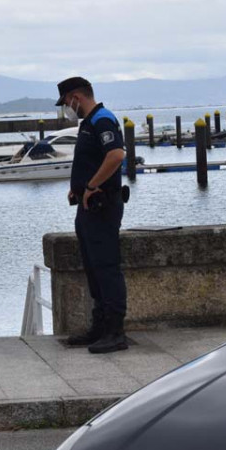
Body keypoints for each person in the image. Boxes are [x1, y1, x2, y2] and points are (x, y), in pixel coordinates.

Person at [57, 76, 129, 354]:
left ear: (76, 96)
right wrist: (78, 190)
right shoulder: (88, 123)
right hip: (87, 208)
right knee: (93, 268)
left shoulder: (103, 119)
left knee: (107, 268)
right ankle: (99, 327)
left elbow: (116, 155)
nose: (66, 107)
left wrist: (92, 185)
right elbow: (93, 159)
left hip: (103, 206)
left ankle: (115, 332)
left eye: (66, 102)